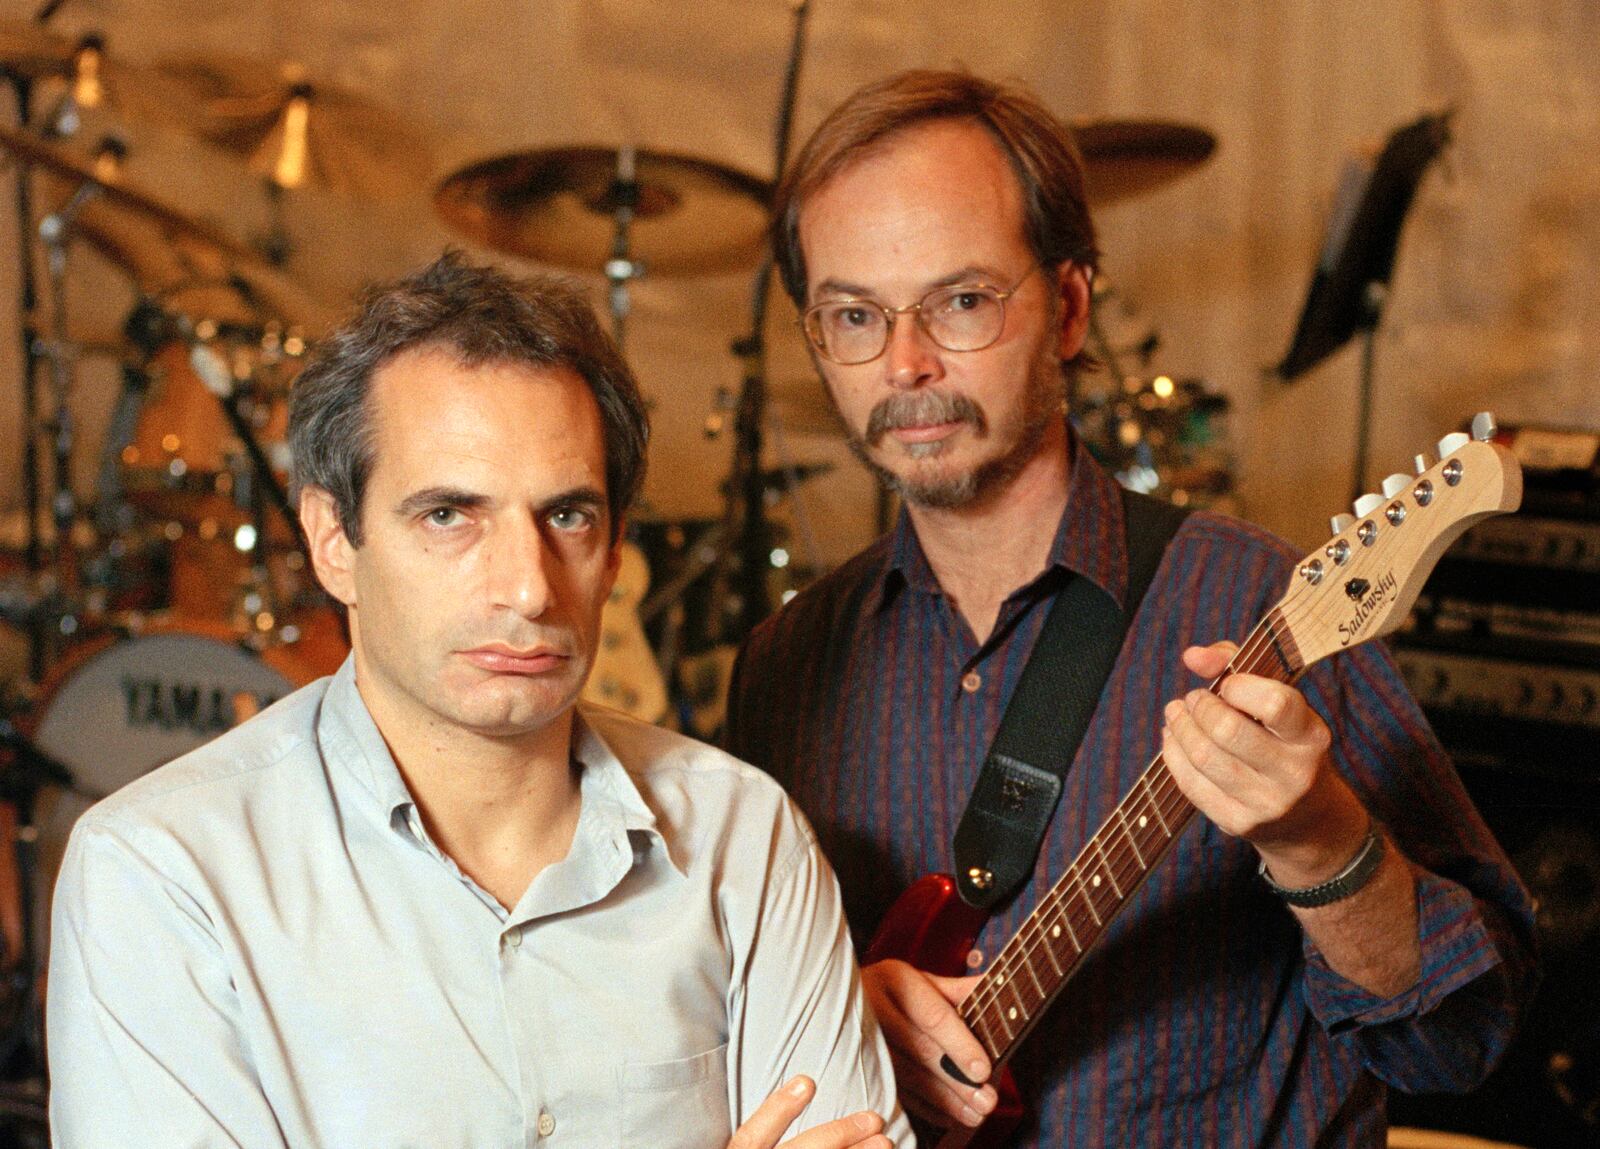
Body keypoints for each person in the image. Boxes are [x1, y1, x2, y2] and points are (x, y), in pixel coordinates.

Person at [726, 70, 1538, 1147]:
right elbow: (730, 1029)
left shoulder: (1263, 606)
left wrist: (1319, 845)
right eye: (855, 316)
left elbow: (1459, 1041)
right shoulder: (787, 663)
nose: (906, 362)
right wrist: (838, 1013)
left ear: (1067, 308)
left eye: (961, 301)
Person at [47, 253, 910, 1149]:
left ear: (616, 550)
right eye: (449, 516)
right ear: (332, 540)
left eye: (567, 516)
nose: (528, 589)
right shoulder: (161, 873)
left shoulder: (745, 836)